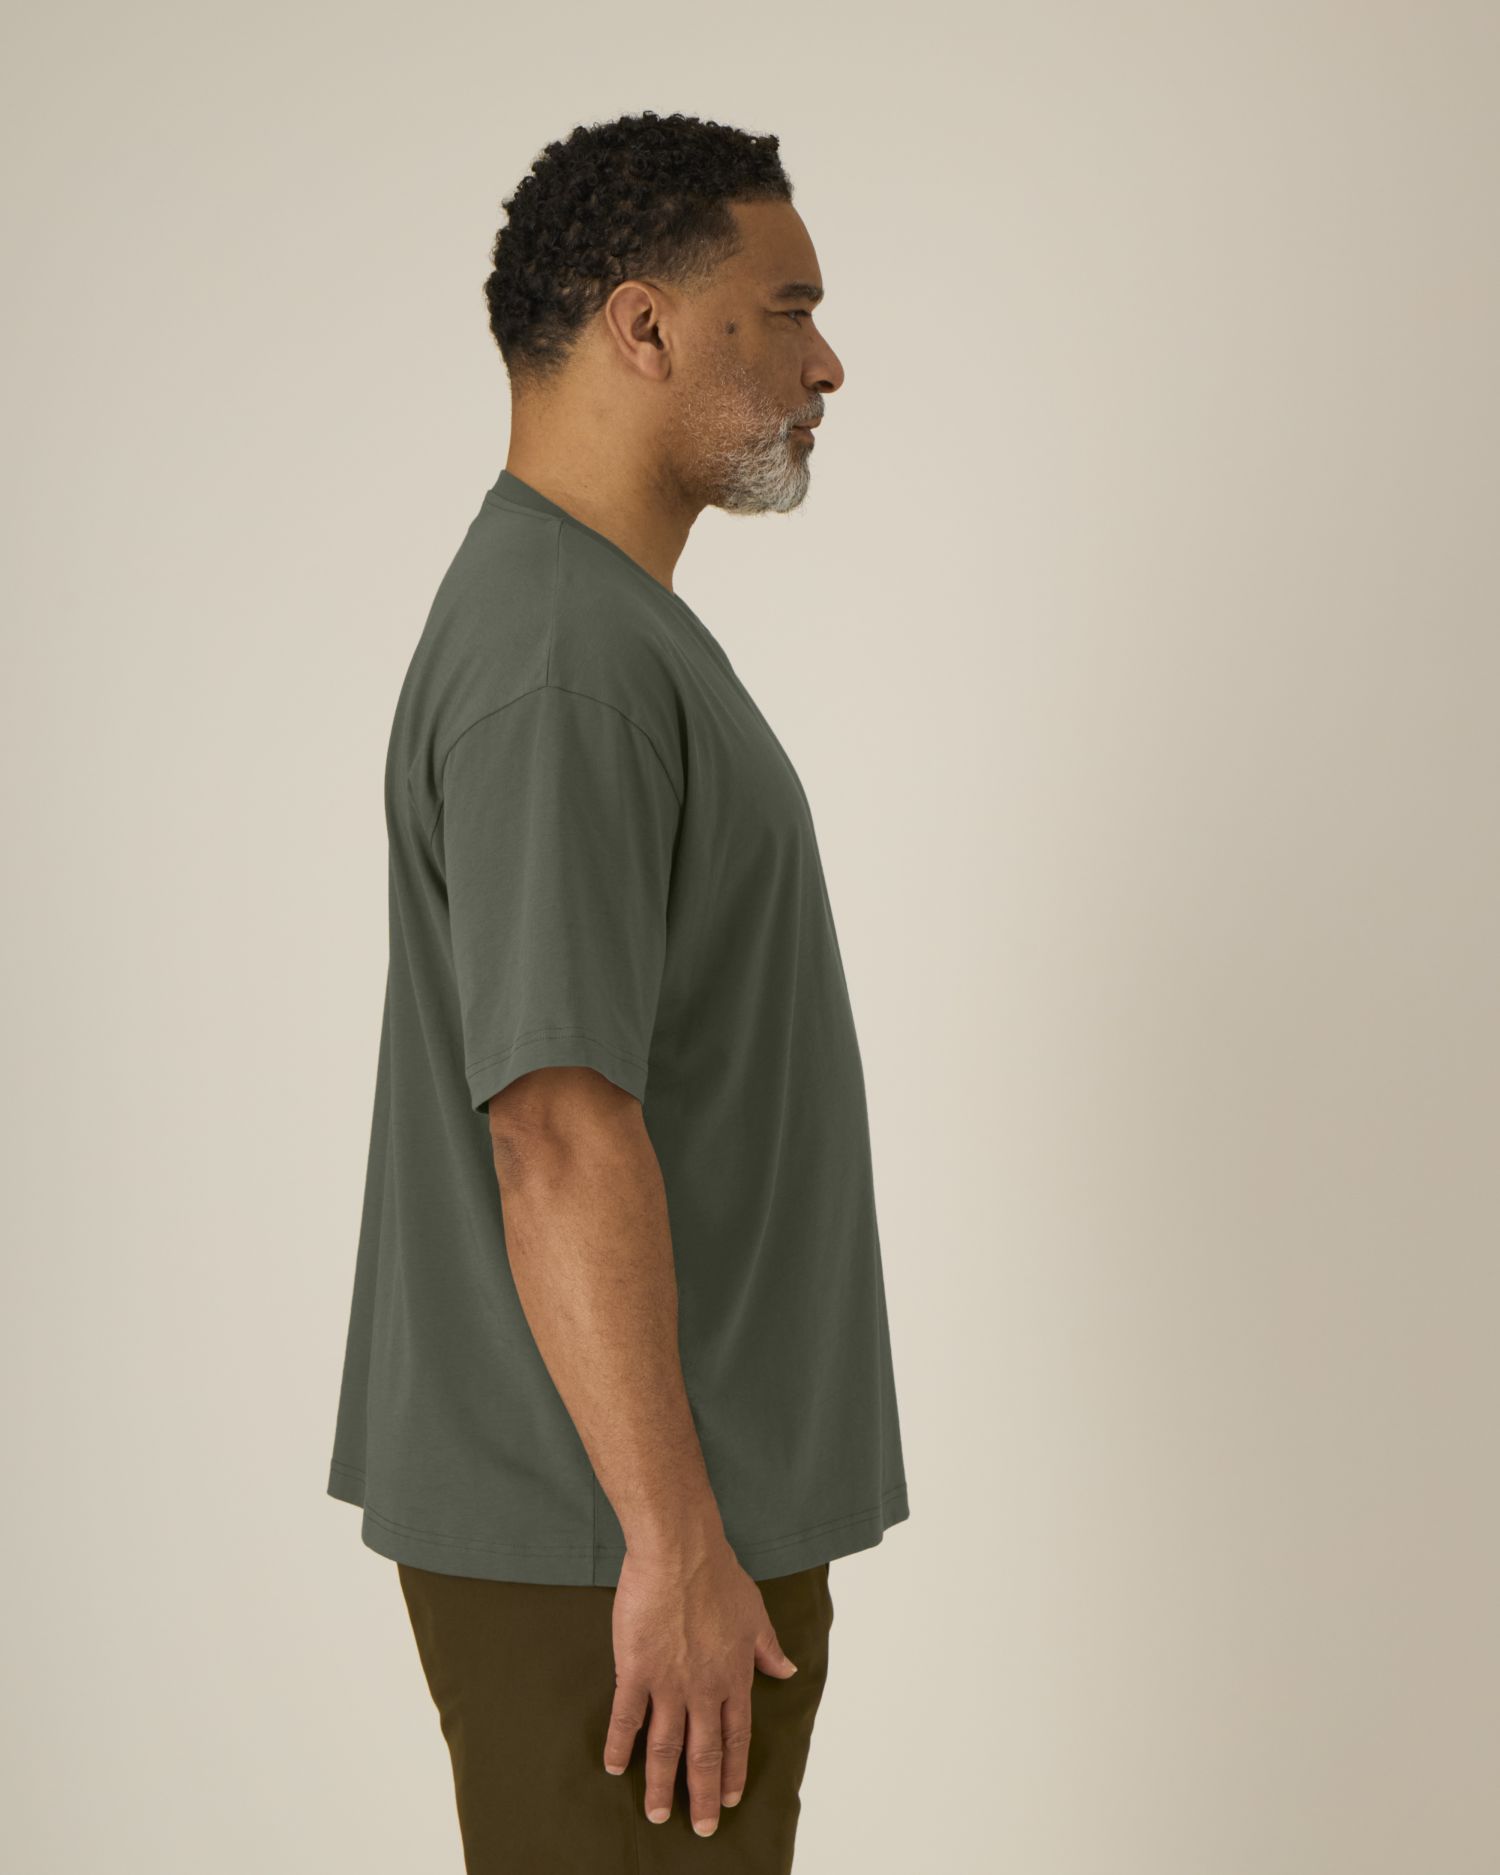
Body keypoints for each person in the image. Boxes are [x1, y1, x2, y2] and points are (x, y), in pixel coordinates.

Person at [325, 108, 910, 1872]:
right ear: (643, 327)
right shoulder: (561, 659)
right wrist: (670, 1541)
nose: (827, 363)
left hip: (653, 1519)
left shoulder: (588, 622)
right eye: (787, 311)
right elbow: (556, 1129)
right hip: (620, 1541)